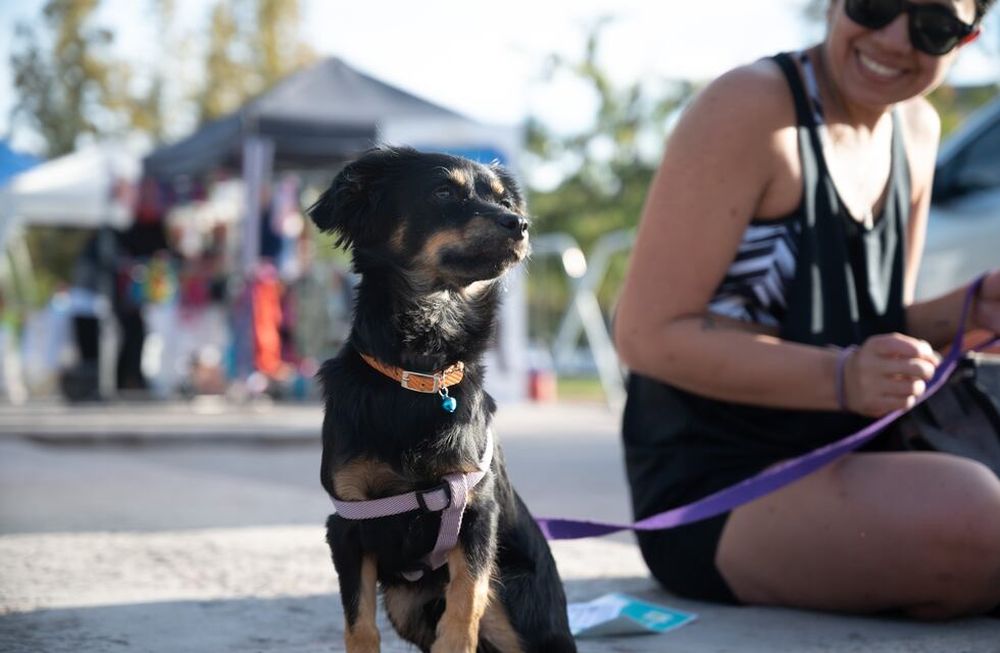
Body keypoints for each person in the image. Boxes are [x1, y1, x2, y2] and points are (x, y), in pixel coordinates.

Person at [614, 0, 1000, 619]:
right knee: (977, 522)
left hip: (856, 458)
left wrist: (968, 309)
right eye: (876, 5)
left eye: (933, 25)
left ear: (968, 38)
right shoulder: (751, 107)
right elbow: (645, 334)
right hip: (719, 487)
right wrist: (843, 377)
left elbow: (872, 324)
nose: (897, 39)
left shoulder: (917, 128)